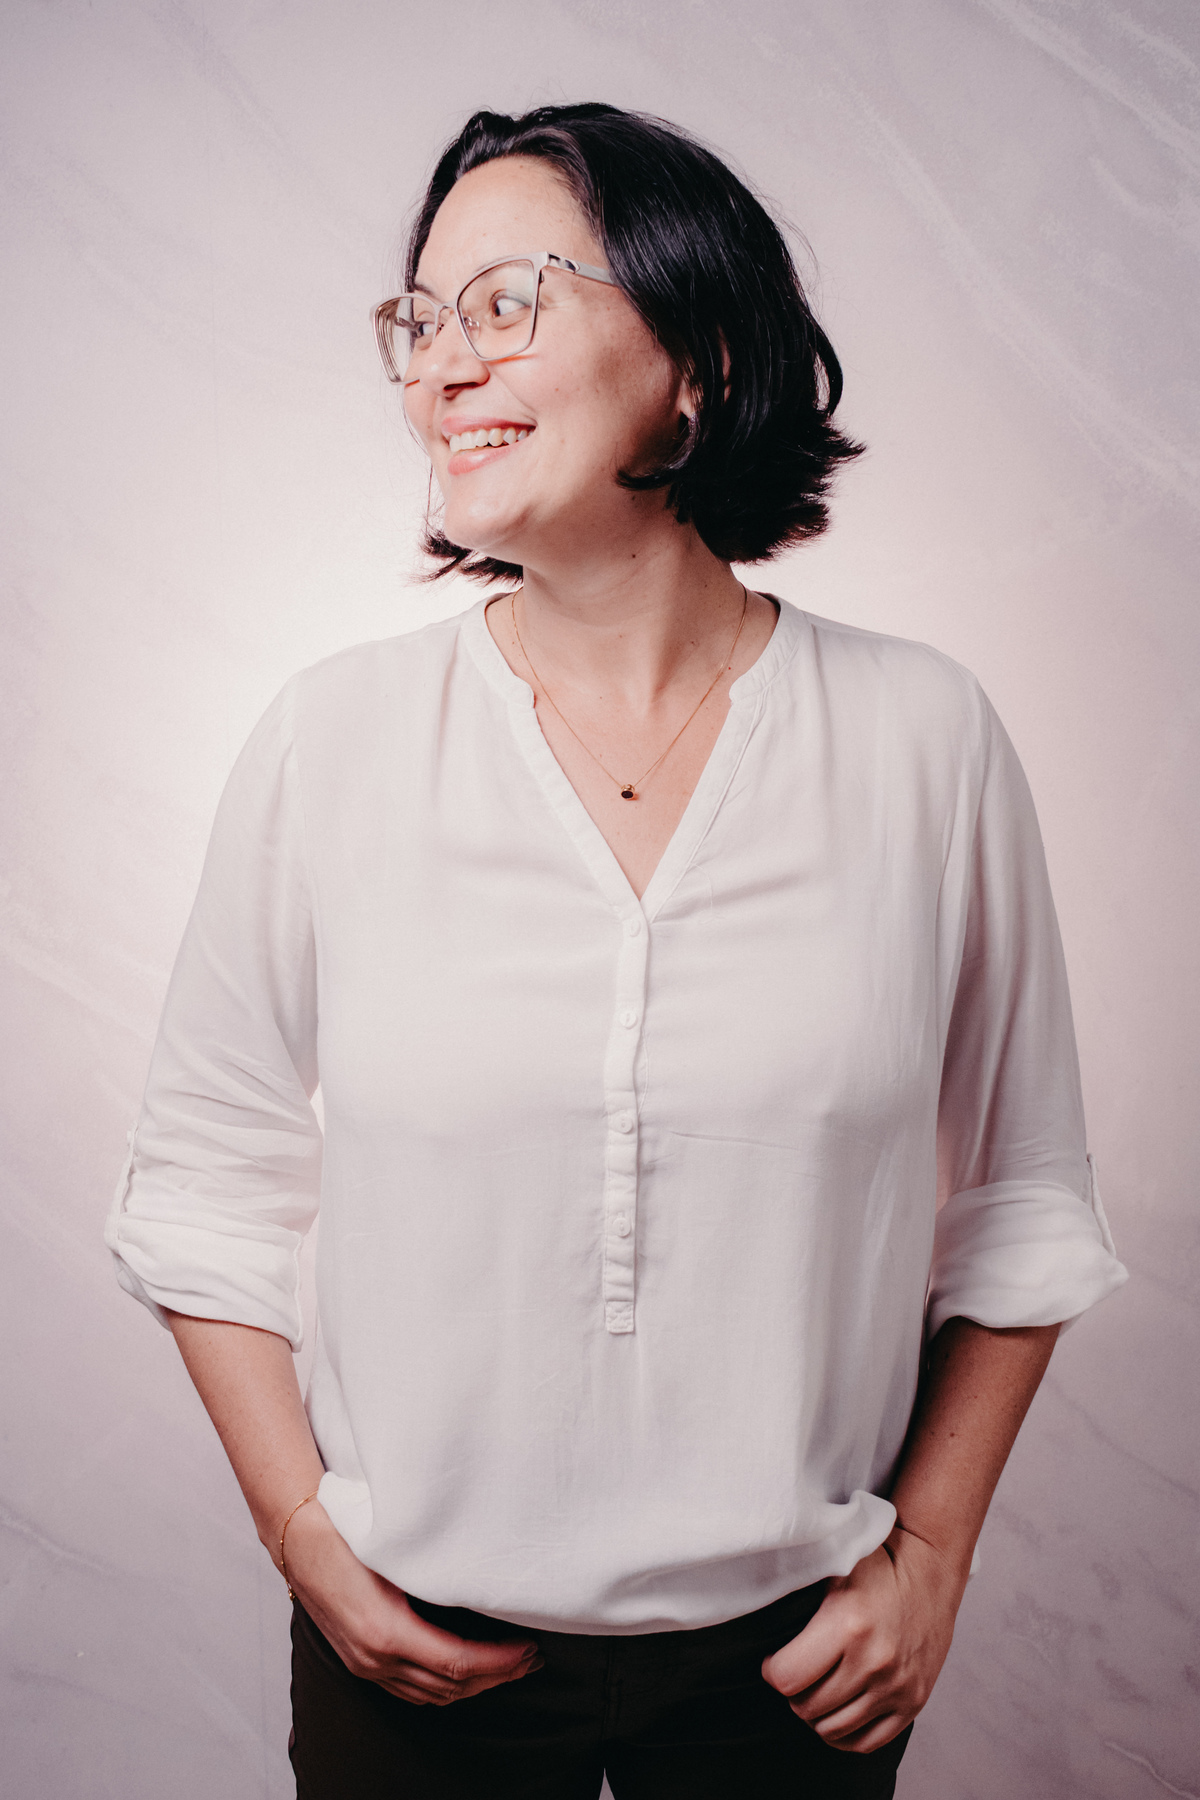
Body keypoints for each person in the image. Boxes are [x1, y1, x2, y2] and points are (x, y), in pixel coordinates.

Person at [106, 103, 1128, 1799]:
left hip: (798, 1674)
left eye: (507, 302)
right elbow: (200, 1183)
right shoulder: (331, 740)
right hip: (406, 1660)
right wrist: (304, 1537)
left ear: (698, 360)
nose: (442, 365)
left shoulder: (923, 740)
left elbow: (1026, 1198)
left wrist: (934, 1555)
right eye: (420, 320)